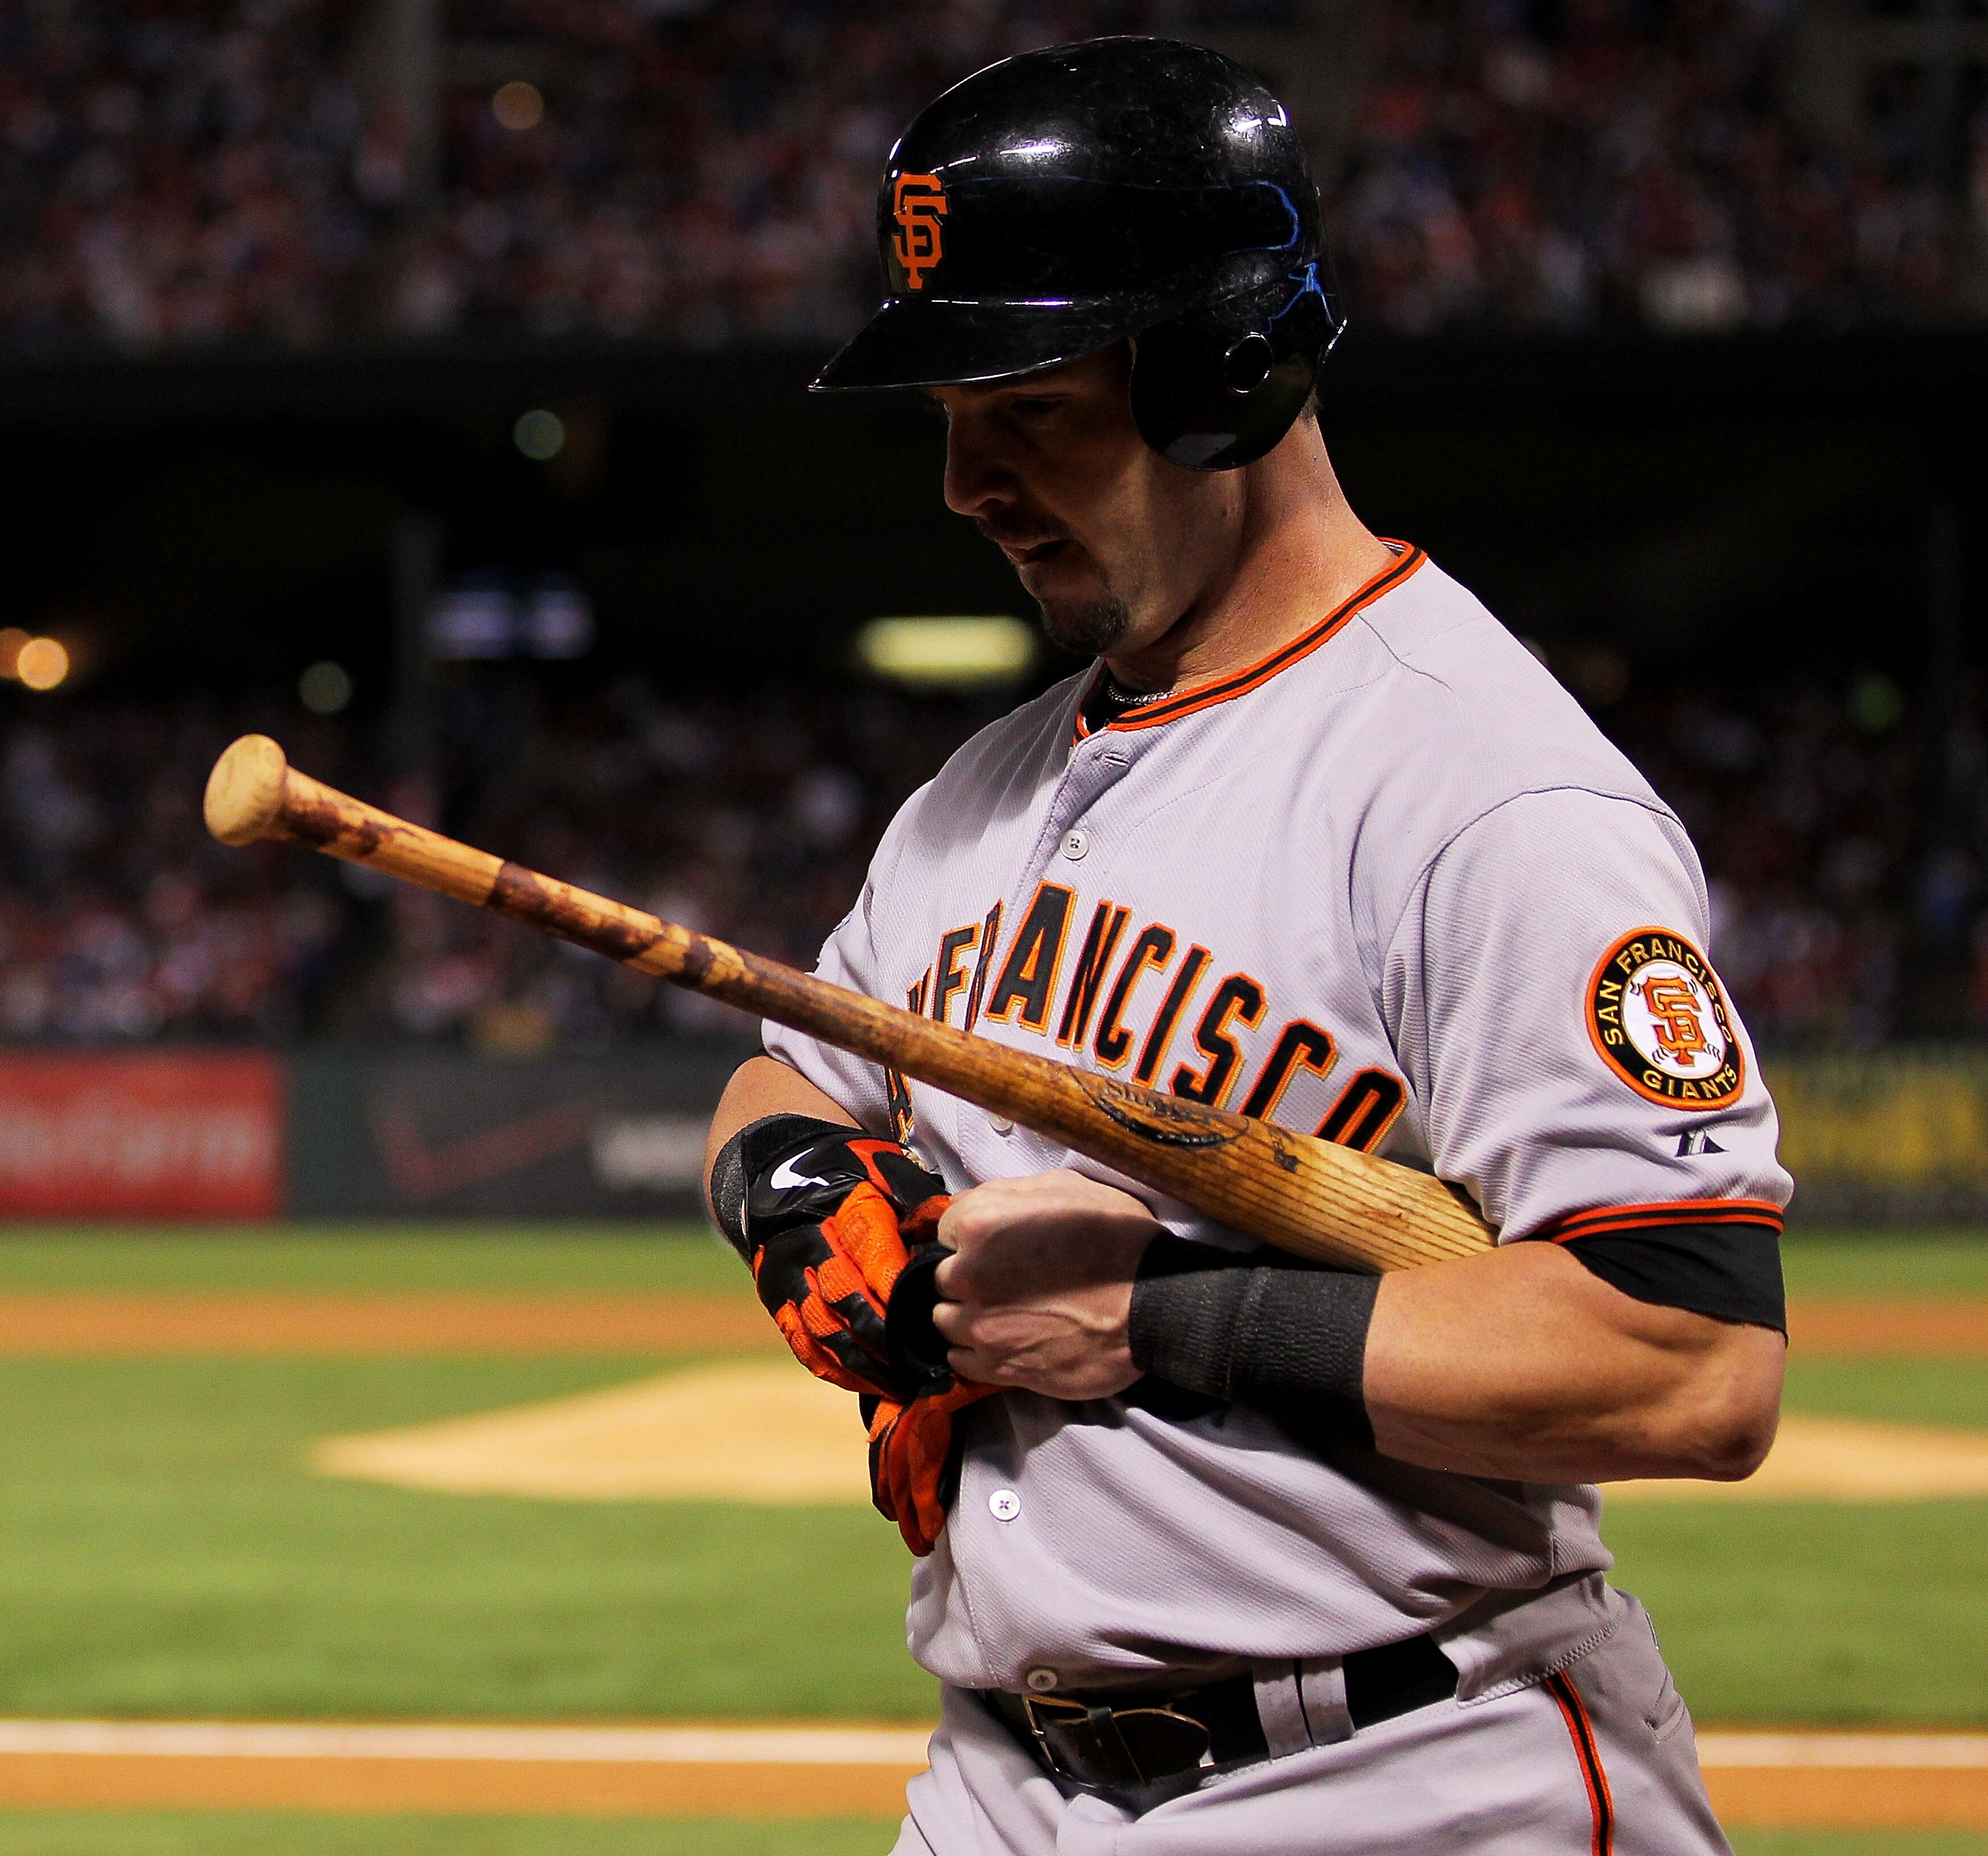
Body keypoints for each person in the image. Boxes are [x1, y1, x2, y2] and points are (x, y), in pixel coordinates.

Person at [700, 39, 1790, 1856]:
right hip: (994, 1777)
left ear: (1224, 376)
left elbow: (1687, 1362)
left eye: (1026, 407)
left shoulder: (1481, 793)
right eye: (947, 419)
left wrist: (1147, 1320)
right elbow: (788, 1065)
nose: (966, 482)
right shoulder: (981, 793)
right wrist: (798, 1186)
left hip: (1405, 1771)